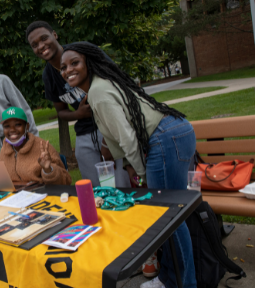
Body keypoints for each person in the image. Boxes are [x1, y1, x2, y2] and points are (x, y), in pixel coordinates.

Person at [60, 42, 196, 288]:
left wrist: (140, 173)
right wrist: (130, 168)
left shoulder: (99, 91)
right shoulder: (97, 89)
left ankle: (185, 283)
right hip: (171, 134)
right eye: (63, 67)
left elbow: (127, 137)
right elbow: (116, 138)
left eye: (74, 63)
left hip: (165, 137)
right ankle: (168, 277)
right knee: (166, 216)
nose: (68, 69)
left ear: (89, 62)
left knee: (169, 217)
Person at [26, 21, 130, 188]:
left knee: (122, 184)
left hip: (112, 124)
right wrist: (78, 114)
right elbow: (61, 112)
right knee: (93, 190)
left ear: (54, 35)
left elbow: (118, 81)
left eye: (44, 38)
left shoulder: (82, 51)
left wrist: (108, 141)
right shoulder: (49, 76)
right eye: (34, 45)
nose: (41, 46)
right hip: (85, 132)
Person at [0, 107, 72, 185]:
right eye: (7, 126)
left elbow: (66, 181)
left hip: (42, 193)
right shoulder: (4, 150)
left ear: (27, 126)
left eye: (17, 124)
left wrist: (48, 170)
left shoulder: (43, 148)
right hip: (15, 195)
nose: (12, 129)